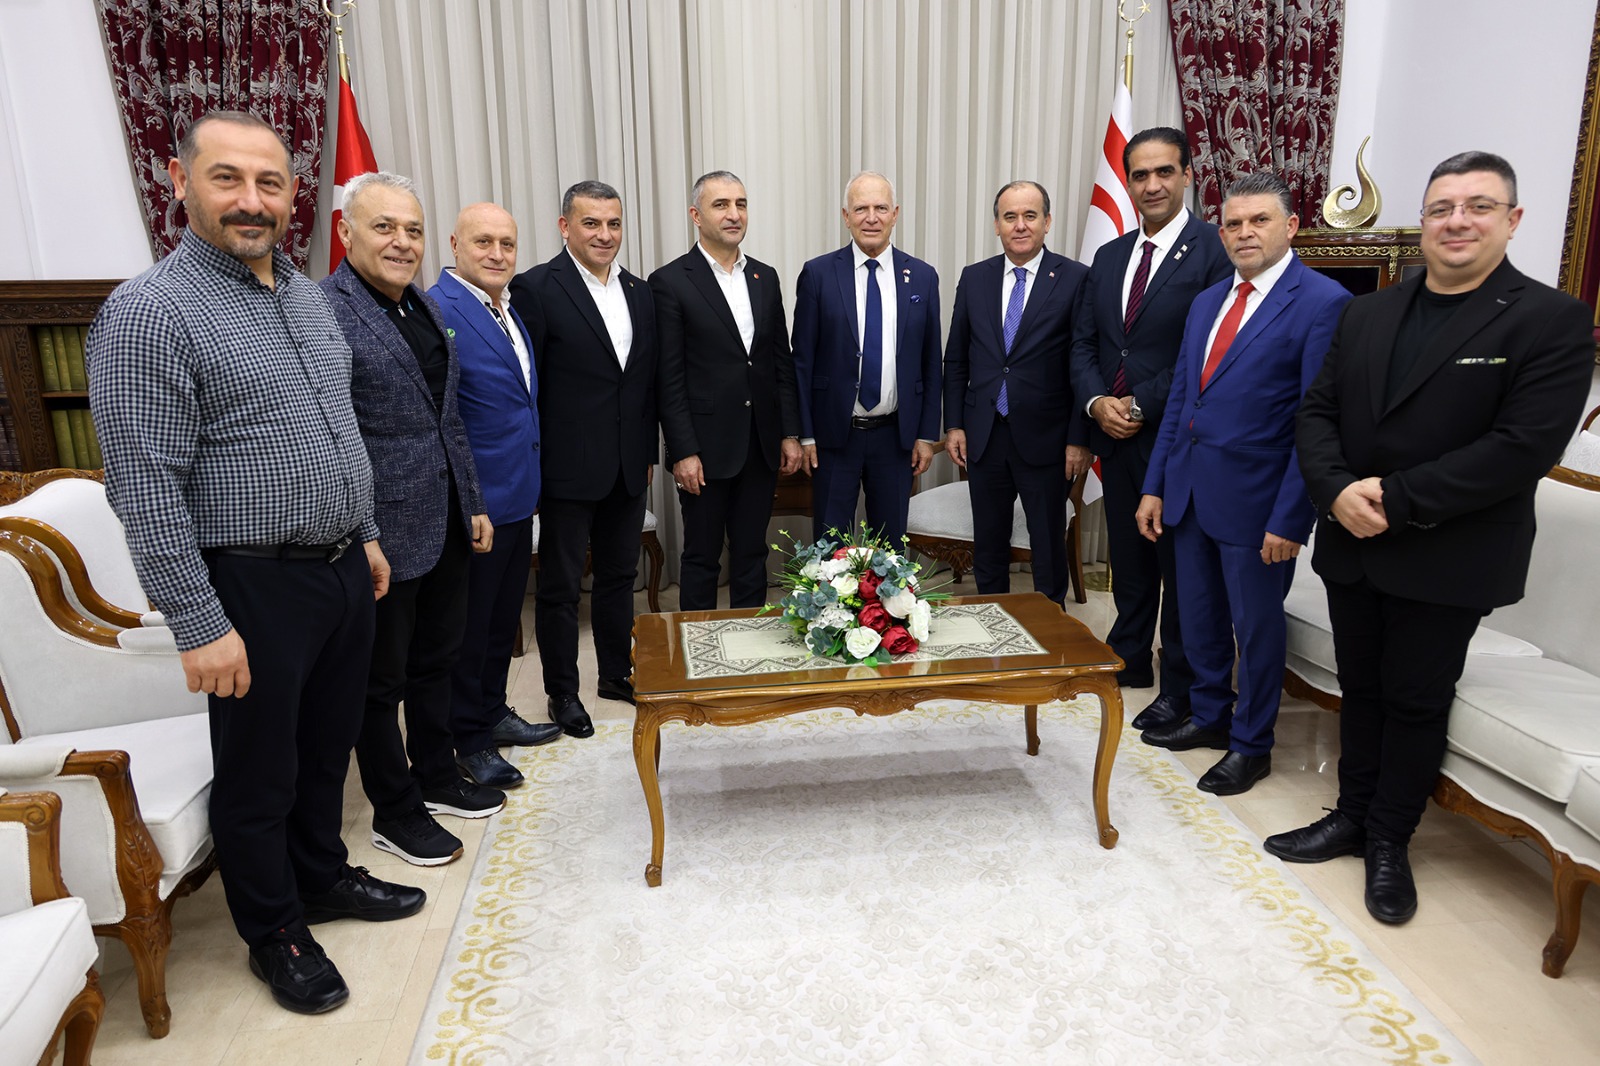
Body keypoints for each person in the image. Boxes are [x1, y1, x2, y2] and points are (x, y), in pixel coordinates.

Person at [86, 111, 423, 1016]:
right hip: (250, 582)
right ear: (179, 180)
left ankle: (321, 876)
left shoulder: (307, 296)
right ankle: (274, 930)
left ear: (293, 193)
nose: (251, 200)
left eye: (269, 182)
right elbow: (144, 488)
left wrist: (365, 532)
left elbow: (337, 427)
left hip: (341, 567)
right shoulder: (149, 312)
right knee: (260, 771)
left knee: (324, 751)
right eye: (227, 178)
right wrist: (200, 624)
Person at [1264, 151, 1595, 924]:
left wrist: (1394, 498)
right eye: (1442, 207)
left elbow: (1522, 447)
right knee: (1362, 688)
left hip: (1450, 552)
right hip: (1353, 542)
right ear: (1423, 221)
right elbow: (1316, 414)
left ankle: (1389, 840)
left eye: (1478, 206)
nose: (1457, 221)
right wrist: (1335, 490)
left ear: (1512, 220)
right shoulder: (1368, 313)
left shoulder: (1550, 319)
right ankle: (1351, 816)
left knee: (1415, 700)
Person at [1136, 172, 1351, 797]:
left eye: (1260, 220)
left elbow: (1317, 422)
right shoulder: (1208, 301)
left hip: (1259, 505)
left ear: (1292, 226)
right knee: (1199, 617)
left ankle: (1252, 744)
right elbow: (1183, 401)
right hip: (1189, 492)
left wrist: (1292, 517)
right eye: (1233, 223)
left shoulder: (1323, 302)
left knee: (1255, 630)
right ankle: (1210, 715)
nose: (1244, 233)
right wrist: (1156, 485)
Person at [321, 172, 504, 866]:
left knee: (437, 661)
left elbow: (446, 416)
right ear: (346, 232)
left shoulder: (421, 306)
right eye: (384, 227)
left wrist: (473, 501)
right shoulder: (326, 309)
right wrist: (362, 532)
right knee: (381, 682)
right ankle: (394, 810)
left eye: (413, 230)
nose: (402, 242)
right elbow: (335, 435)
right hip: (380, 533)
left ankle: (436, 774)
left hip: (446, 516)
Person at [1069, 127, 1231, 723]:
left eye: (1164, 171)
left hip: (1177, 437)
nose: (1152, 185)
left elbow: (1206, 351)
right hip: (1116, 435)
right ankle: (1130, 656)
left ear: (1188, 174)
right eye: (1140, 174)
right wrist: (1097, 404)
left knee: (1180, 567)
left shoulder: (1215, 249)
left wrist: (1138, 405)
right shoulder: (1110, 255)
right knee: (1130, 561)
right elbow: (1085, 343)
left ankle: (1180, 680)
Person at [509, 181, 657, 735]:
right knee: (561, 587)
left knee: (620, 577)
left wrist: (646, 450)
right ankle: (562, 693)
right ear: (565, 226)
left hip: (627, 464)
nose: (604, 234)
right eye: (591, 223)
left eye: (613, 223)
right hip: (567, 467)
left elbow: (643, 381)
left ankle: (616, 673)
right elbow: (529, 386)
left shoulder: (639, 291)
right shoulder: (535, 288)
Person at [430, 203, 565, 790]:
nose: (497, 253)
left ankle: (492, 711)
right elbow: (445, 419)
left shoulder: (505, 308)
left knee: (502, 620)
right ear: (455, 244)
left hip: (518, 494)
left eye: (507, 243)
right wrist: (471, 501)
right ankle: (469, 739)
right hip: (478, 504)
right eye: (483, 241)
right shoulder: (440, 309)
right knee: (471, 628)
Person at [653, 171, 802, 610]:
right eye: (721, 205)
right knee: (702, 558)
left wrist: (789, 432)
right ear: (696, 215)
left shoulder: (764, 277)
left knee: (753, 554)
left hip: (759, 443)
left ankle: (748, 641)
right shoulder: (670, 281)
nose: (734, 214)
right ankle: (697, 647)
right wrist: (682, 450)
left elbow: (779, 361)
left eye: (741, 204)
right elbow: (668, 377)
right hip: (703, 449)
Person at [943, 180, 1091, 604]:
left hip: (1048, 438)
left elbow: (1084, 364)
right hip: (984, 433)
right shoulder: (975, 278)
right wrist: (954, 425)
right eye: (1010, 217)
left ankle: (1048, 628)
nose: (1020, 225)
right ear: (997, 225)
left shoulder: (1075, 278)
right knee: (988, 544)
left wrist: (1079, 438)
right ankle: (992, 620)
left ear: (1047, 222)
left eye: (1030, 215)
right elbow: (957, 359)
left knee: (1047, 544)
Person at [791, 171, 942, 543]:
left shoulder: (922, 277)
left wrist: (926, 435)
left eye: (881, 208)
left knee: (890, 552)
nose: (871, 218)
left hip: (895, 438)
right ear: (846, 216)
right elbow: (801, 362)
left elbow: (930, 362)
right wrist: (805, 435)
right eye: (861, 209)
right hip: (834, 437)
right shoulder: (818, 274)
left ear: (895, 214)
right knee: (829, 552)